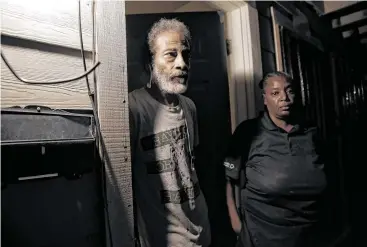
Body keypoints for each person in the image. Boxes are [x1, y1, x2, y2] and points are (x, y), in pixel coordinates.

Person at [129, 18, 211, 247]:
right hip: (163, 238)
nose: (182, 64)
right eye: (171, 55)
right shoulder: (133, 108)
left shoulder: (189, 106)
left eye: (186, 55)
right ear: (150, 63)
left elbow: (190, 164)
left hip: (201, 229)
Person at [224, 71, 327, 247]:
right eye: (275, 93)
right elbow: (229, 181)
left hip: (310, 234)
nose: (284, 98)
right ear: (265, 99)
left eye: (289, 91)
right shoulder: (248, 132)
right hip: (264, 236)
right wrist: (236, 224)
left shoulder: (311, 131)